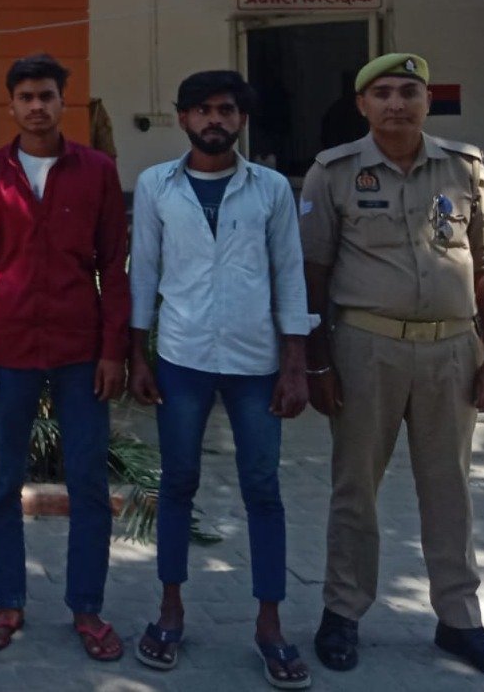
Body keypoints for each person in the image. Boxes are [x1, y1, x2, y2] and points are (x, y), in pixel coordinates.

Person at [300, 53, 484, 685]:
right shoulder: (333, 171)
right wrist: (317, 365)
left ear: (427, 101)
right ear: (362, 105)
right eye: (383, 93)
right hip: (365, 348)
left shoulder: (465, 167)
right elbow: (313, 273)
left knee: (450, 489)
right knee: (355, 488)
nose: (396, 103)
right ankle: (343, 612)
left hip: (452, 351)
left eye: (409, 92)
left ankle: (460, 620)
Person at [128, 70, 311, 687]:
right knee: (178, 483)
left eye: (226, 110)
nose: (215, 119)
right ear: (182, 118)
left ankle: (270, 625)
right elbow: (143, 270)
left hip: (255, 363)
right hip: (181, 357)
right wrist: (138, 355)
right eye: (202, 109)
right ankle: (170, 611)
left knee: (263, 489)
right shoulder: (156, 185)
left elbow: (289, 273)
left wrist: (294, 365)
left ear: (241, 119)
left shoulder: (270, 189)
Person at [0, 53, 129, 659]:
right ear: (11, 105)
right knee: (2, 483)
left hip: (80, 349)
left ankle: (87, 607)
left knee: (88, 482)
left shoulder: (97, 171)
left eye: (47, 96)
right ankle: (8, 601)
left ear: (64, 102)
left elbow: (114, 268)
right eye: (26, 97)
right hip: (9, 350)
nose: (37, 106)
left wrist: (113, 351)